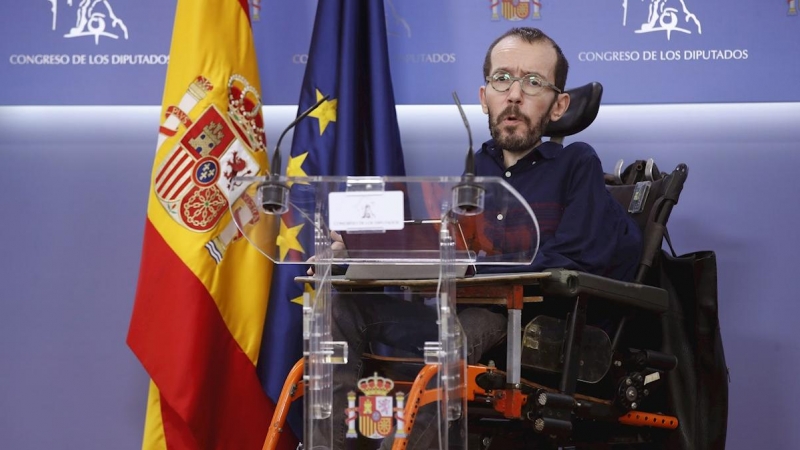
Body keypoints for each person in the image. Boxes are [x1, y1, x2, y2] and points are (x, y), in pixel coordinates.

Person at [317, 27, 643, 450]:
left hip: (537, 331)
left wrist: (476, 267)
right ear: (484, 94)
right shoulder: (474, 174)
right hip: (458, 319)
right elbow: (447, 249)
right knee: (341, 307)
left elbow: (572, 259)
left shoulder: (577, 165)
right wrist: (360, 253)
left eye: (533, 82)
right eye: (502, 79)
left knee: (456, 335)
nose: (514, 94)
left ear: (559, 105)